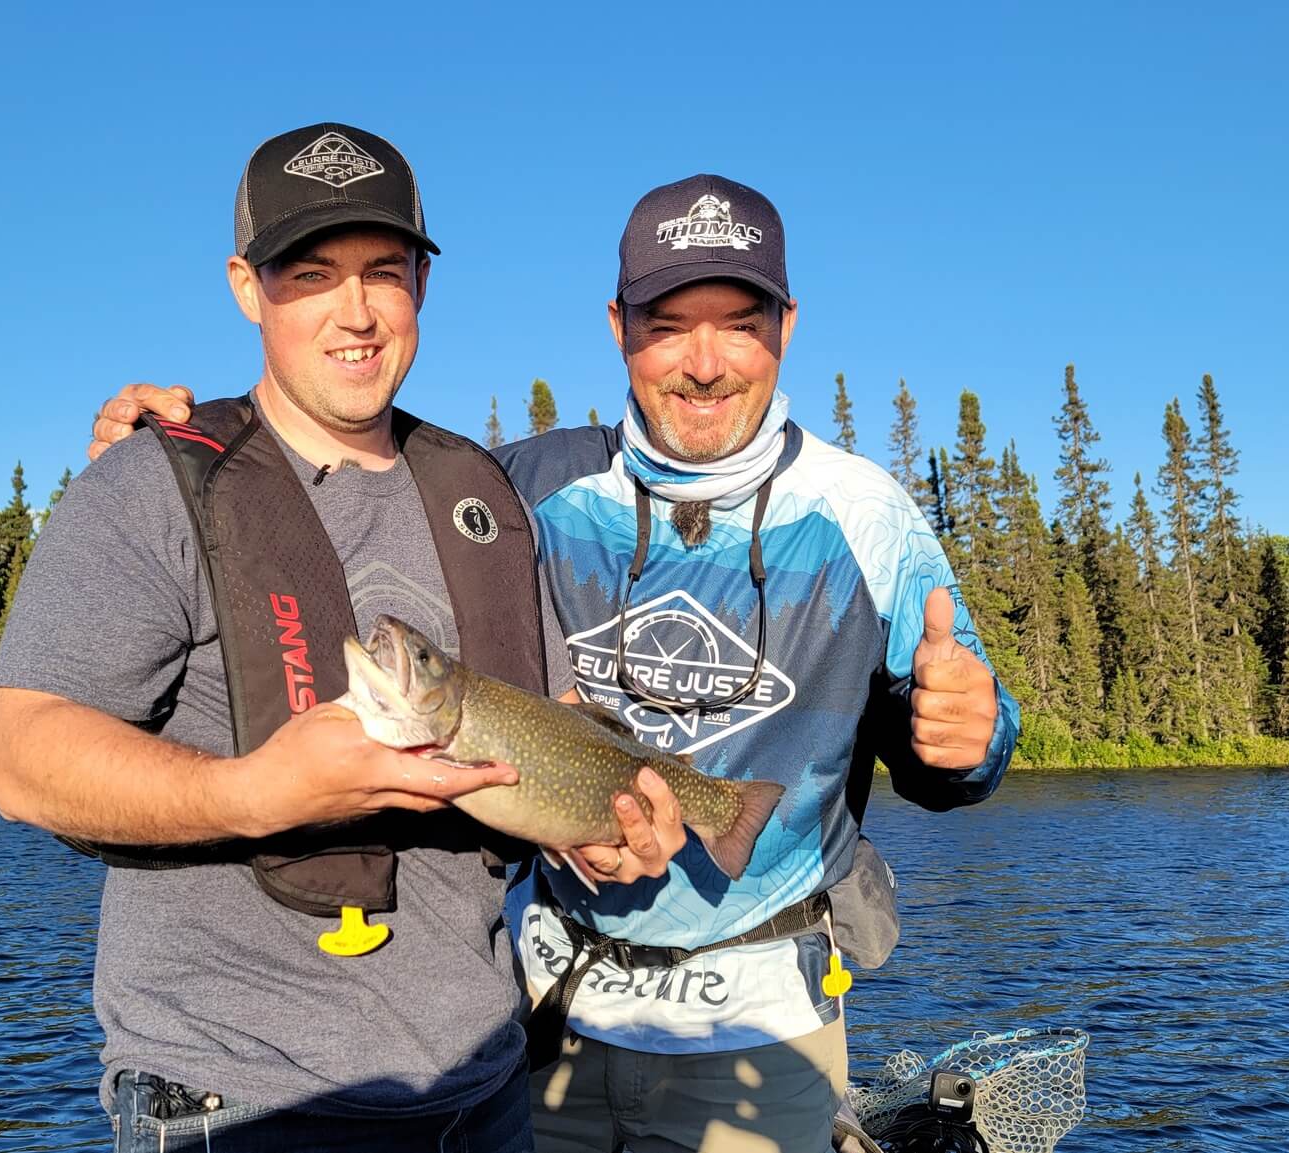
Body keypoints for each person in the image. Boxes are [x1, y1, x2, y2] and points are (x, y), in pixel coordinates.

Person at [94, 174, 1021, 1153]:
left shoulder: (869, 516)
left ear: (784, 326)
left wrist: (968, 736)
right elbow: (327, 514)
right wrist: (176, 463)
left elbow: (964, 744)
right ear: (617, 324)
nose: (703, 363)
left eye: (738, 324)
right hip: (538, 1018)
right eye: (667, 325)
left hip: (759, 1032)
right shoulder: (521, 486)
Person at [0, 122, 683, 1153]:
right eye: (310, 274)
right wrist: (256, 792)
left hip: (481, 1086)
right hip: (241, 1102)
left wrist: (609, 830)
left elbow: (548, 723)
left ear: (421, 288)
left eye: (382, 274)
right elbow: (22, 759)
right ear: (244, 286)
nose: (354, 312)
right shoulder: (151, 482)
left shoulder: (478, 493)